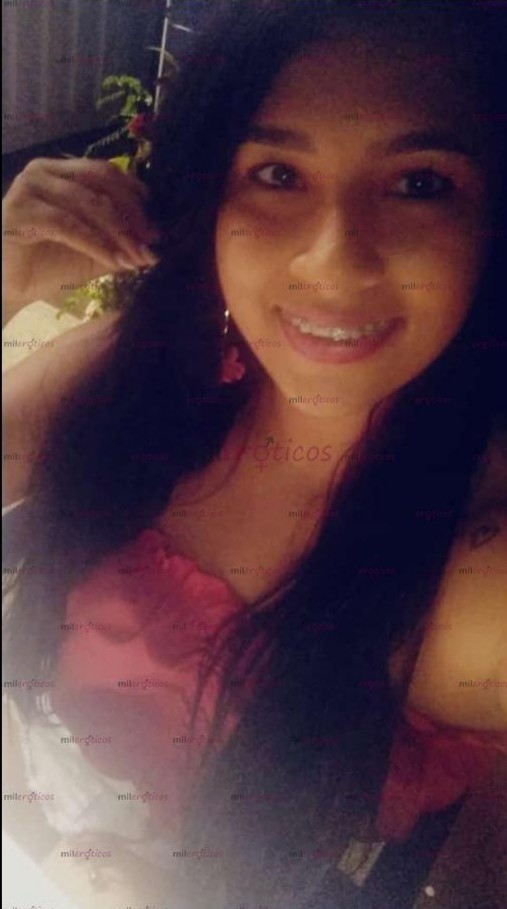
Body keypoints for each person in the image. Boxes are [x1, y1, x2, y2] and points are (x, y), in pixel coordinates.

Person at [3, 1, 507, 907]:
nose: (333, 260)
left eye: (419, 183)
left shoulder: (471, 576)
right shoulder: (151, 374)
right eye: (277, 173)